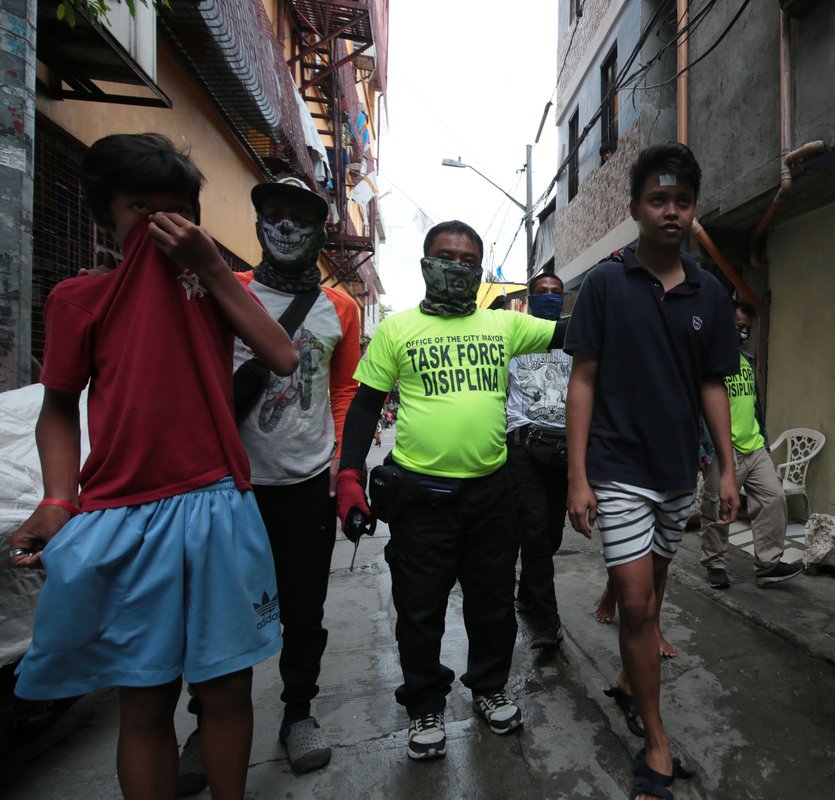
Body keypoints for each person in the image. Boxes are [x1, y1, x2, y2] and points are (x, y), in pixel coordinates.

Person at [8, 133, 298, 799]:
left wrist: (214, 268)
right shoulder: (78, 298)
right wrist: (58, 498)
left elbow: (281, 357)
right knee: (143, 702)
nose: (159, 225)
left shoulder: (209, 287)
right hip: (122, 514)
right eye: (141, 207)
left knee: (227, 689)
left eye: (177, 211)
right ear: (106, 211)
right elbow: (58, 405)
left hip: (216, 502)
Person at [334, 220, 567, 761]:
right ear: (424, 264)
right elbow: (368, 403)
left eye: (468, 261)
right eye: (446, 256)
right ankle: (424, 704)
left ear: (480, 271)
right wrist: (348, 473)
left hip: (491, 495)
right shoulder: (397, 329)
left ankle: (488, 688)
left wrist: (621, 290)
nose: (457, 268)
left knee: (490, 606)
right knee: (419, 609)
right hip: (419, 499)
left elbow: (570, 333)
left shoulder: (502, 326)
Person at [565, 142, 740, 800]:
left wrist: (726, 469)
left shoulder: (710, 292)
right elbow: (582, 380)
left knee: (655, 591)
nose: (671, 211)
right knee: (637, 605)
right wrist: (577, 476)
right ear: (635, 207)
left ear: (693, 211)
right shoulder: (607, 285)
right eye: (658, 200)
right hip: (617, 468)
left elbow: (713, 386)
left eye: (682, 201)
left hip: (678, 472)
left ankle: (627, 681)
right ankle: (657, 745)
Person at [174, 177, 361, 788]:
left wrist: (338, 457)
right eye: (273, 215)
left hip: (306, 484)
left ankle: (298, 712)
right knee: (219, 611)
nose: (284, 227)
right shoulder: (221, 291)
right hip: (229, 487)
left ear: (319, 231)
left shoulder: (342, 309)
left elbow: (343, 387)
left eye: (299, 218)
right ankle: (210, 722)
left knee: (303, 610)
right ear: (257, 225)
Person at [699, 300, 802, 589]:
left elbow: (755, 406)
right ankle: (715, 562)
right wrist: (701, 447)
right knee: (719, 508)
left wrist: (765, 441)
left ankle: (768, 565)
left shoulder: (746, 360)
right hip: (722, 450)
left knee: (774, 499)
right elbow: (697, 408)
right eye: (737, 327)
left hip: (754, 447)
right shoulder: (709, 362)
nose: (743, 333)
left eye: (746, 328)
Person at [507, 271, 571, 650]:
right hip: (523, 447)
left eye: (556, 292)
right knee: (533, 532)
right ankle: (548, 622)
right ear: (529, 298)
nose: (549, 297)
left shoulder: (574, 339)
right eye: (542, 292)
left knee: (551, 536)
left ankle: (529, 595)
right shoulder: (515, 337)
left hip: (565, 450)